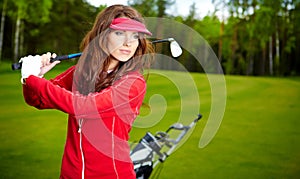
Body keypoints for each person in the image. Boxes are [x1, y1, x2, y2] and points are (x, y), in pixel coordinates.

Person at [20, 4, 154, 179]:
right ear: (102, 35)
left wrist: (32, 79)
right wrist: (32, 78)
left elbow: (84, 106)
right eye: (120, 33)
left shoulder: (134, 82)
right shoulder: (80, 71)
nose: (128, 43)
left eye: (135, 36)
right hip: (71, 174)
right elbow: (37, 100)